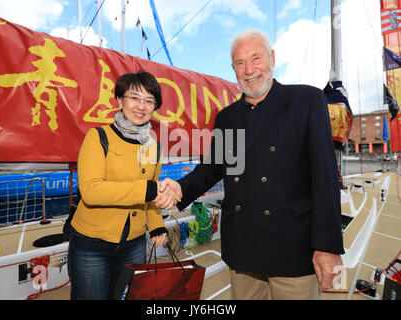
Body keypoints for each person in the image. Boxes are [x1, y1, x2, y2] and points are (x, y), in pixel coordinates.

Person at [158, 29, 345, 300]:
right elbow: (213, 167)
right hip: (243, 247)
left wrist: (327, 247)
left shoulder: (306, 100)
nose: (249, 70)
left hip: (293, 248)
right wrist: (179, 188)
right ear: (233, 68)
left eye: (255, 58)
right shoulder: (227, 117)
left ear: (271, 58)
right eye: (240, 63)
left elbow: (326, 179)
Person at [68, 70, 179, 300]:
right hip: (91, 243)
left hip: (134, 243)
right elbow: (91, 191)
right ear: (119, 100)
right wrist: (147, 189)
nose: (141, 106)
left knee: (127, 297)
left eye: (149, 101)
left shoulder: (154, 147)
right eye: (134, 98)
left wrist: (156, 224)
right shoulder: (98, 137)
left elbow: (152, 193)